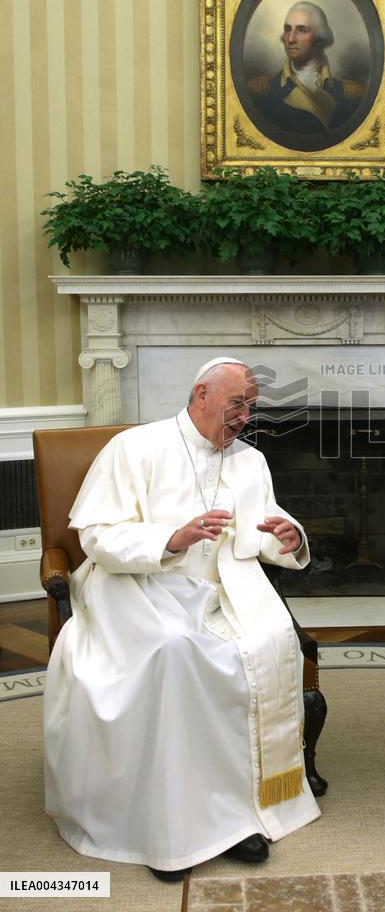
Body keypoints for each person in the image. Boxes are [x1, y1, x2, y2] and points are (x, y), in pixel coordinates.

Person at [43, 358, 320, 882]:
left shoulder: (250, 461)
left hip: (221, 593)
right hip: (135, 587)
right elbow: (95, 535)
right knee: (175, 653)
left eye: (251, 406)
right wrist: (170, 539)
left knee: (255, 649)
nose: (245, 416)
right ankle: (165, 829)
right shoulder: (135, 447)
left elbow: (263, 528)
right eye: (237, 403)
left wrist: (290, 538)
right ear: (201, 395)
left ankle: (236, 815)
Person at [247, 1, 366, 137]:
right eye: (287, 29)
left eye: (301, 30)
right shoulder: (261, 92)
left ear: (319, 37)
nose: (290, 39)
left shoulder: (351, 94)